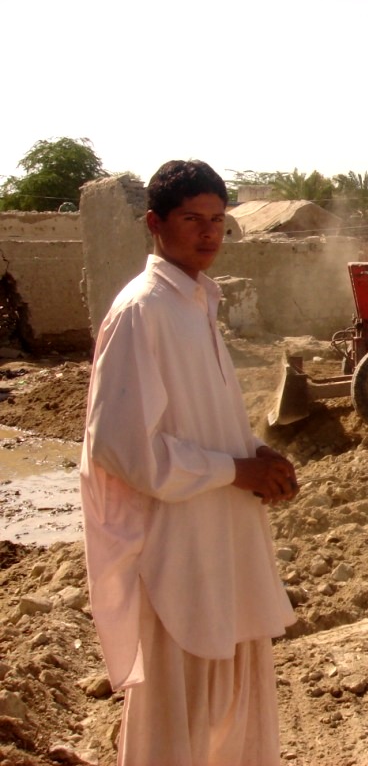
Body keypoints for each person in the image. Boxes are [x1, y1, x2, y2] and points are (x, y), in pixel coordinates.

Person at [80, 159, 298, 765]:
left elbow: (198, 417)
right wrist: (235, 471)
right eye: (191, 219)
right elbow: (123, 447)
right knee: (175, 717)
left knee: (232, 704)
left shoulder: (198, 301)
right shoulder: (142, 310)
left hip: (223, 537)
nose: (208, 233)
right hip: (178, 546)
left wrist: (253, 452)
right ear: (155, 224)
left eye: (218, 220)